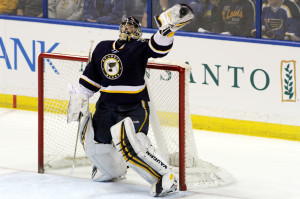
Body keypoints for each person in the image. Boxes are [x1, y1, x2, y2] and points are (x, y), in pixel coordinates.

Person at [67, 4, 194, 197]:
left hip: (134, 106)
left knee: (133, 143)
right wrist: (79, 98)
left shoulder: (140, 46)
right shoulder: (102, 47)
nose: (127, 28)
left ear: (138, 30)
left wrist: (167, 30)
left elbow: (158, 47)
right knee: (95, 143)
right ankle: (113, 169)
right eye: (124, 25)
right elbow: (90, 81)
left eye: (132, 26)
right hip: (106, 106)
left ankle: (165, 177)